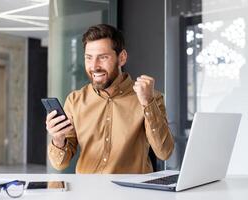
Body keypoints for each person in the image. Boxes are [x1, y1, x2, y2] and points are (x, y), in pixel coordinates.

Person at [46, 24, 174, 173]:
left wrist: (147, 103)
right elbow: (60, 164)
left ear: (122, 58)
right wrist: (58, 139)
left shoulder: (150, 97)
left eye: (103, 57)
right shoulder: (75, 100)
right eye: (89, 58)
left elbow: (164, 152)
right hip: (88, 192)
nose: (94, 66)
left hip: (131, 193)